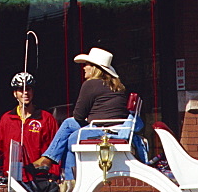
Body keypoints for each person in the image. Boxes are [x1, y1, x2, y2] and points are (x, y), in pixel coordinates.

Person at [34, 46, 143, 181]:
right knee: (70, 130)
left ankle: (64, 175)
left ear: (95, 68)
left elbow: (79, 115)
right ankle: (52, 163)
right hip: (117, 128)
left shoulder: (90, 84)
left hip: (103, 129)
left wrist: (88, 116)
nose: (84, 68)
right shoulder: (117, 85)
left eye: (87, 65)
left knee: (70, 129)